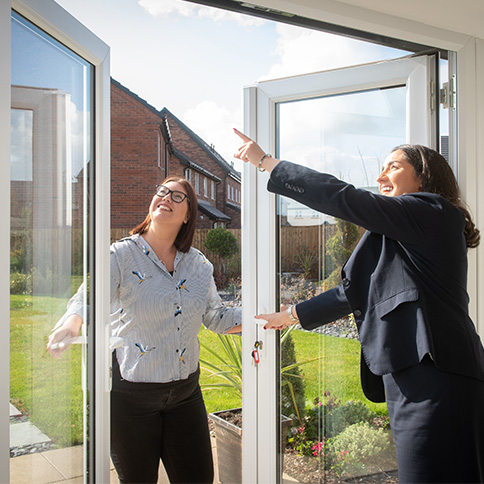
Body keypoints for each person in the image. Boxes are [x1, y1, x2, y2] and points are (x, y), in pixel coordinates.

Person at [234, 128, 484, 484]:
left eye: (393, 167)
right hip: (409, 376)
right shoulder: (401, 235)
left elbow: (345, 198)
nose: (380, 176)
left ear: (424, 176)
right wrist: (290, 315)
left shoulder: (433, 212)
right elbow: (352, 294)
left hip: (439, 375)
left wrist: (266, 162)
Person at [47, 176, 242, 484]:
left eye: (177, 196)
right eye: (162, 192)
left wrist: (267, 318)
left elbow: (215, 316)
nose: (166, 197)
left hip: (185, 394)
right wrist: (72, 325)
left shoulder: (199, 265)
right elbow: (88, 297)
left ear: (189, 214)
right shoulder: (121, 255)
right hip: (130, 397)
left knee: (199, 478)